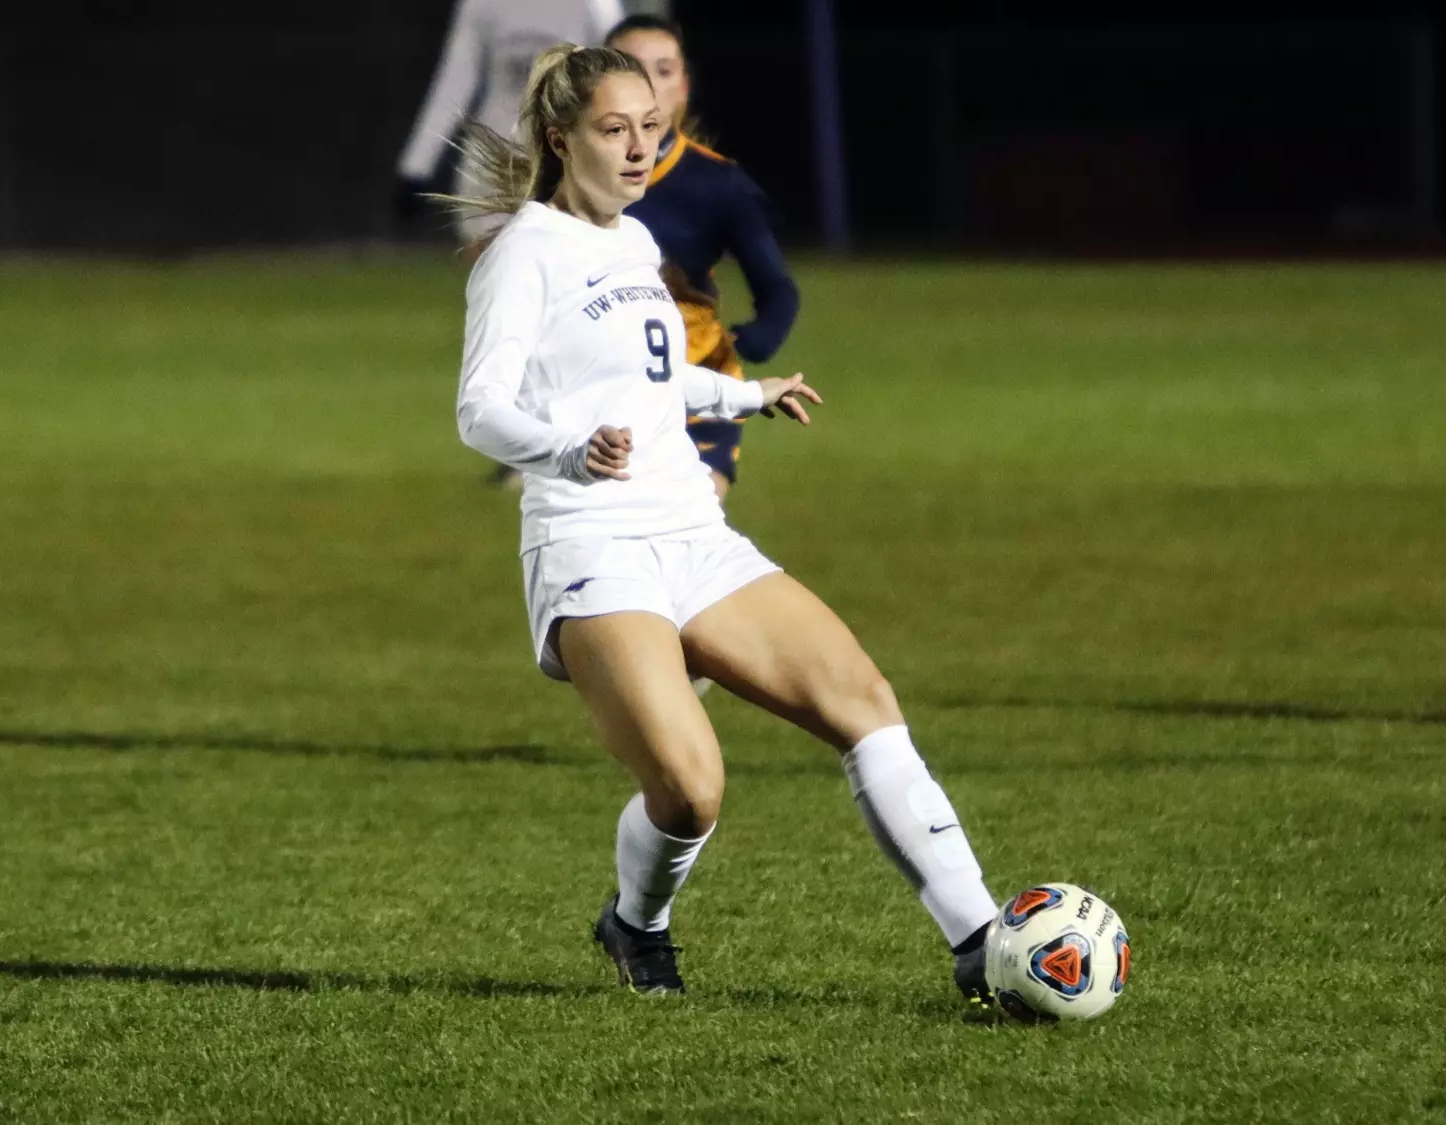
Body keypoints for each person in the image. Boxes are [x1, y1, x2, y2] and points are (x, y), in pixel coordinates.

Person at [442, 44, 1000, 1006]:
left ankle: (984, 943)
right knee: (693, 787)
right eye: (614, 131)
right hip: (591, 543)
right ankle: (637, 923)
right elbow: (478, 410)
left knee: (863, 698)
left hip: (691, 529)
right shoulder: (523, 254)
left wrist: (745, 393)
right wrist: (569, 452)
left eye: (650, 130)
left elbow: (654, 378)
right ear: (558, 136)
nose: (636, 150)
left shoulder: (631, 243)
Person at [607, 15, 800, 500]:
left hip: (700, 382)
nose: (650, 84)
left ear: (684, 87)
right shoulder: (564, 178)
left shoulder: (718, 184)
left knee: (696, 520)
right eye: (632, 69)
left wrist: (755, 340)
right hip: (603, 388)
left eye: (665, 70)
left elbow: (777, 290)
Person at [394, 0, 626, 245]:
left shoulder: (596, 5)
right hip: (491, 162)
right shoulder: (481, 4)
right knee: (490, 274)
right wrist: (416, 168)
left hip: (562, 163)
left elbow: (622, 81)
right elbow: (456, 79)